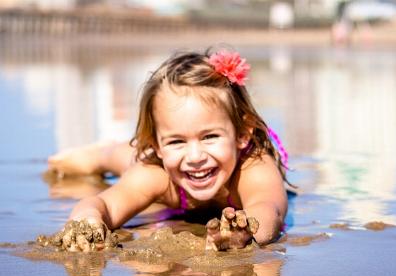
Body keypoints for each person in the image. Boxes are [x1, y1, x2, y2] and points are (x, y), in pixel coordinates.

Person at [48, 48, 291, 251]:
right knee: (123, 158)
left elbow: (270, 209)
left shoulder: (253, 167)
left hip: (199, 163)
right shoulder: (156, 172)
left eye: (209, 137)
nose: (195, 157)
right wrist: (87, 220)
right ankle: (98, 154)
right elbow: (105, 205)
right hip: (148, 162)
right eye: (176, 141)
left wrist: (246, 229)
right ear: (157, 145)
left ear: (241, 134)